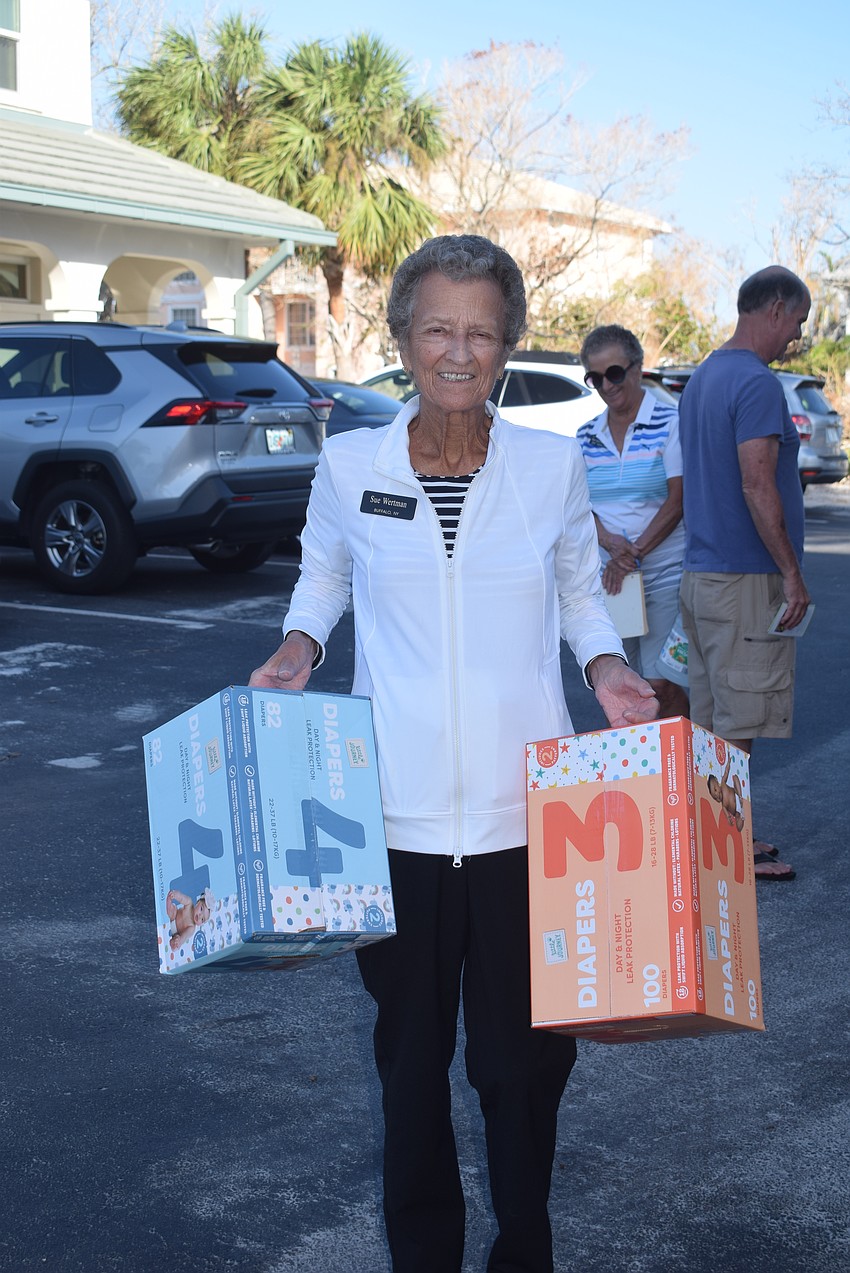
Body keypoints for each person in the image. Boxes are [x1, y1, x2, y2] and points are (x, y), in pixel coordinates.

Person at [249, 234, 658, 1273]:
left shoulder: (546, 463)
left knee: (524, 1070)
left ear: (510, 345)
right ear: (402, 338)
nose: (459, 351)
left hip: (535, 823)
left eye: (481, 331)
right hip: (393, 821)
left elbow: (579, 592)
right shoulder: (351, 462)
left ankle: (524, 1249)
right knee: (410, 1061)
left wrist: (606, 666)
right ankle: (422, 1256)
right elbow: (322, 578)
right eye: (438, 328)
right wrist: (300, 645)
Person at [678, 264, 812, 883]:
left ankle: (710, 839)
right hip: (743, 578)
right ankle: (729, 847)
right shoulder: (757, 383)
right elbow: (759, 483)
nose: (794, 339)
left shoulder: (704, 377)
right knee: (738, 724)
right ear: (777, 308)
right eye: (798, 325)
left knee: (709, 720)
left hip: (703, 575)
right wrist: (791, 572)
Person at [577, 325, 690, 719]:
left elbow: (679, 500)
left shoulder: (671, 422)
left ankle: (677, 768)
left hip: (663, 574)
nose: (606, 386)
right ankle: (647, 774)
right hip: (613, 579)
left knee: (662, 682)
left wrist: (635, 553)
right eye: (595, 377)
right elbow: (578, 506)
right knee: (625, 685)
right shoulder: (585, 435)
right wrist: (611, 545)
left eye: (614, 373)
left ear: (638, 369)